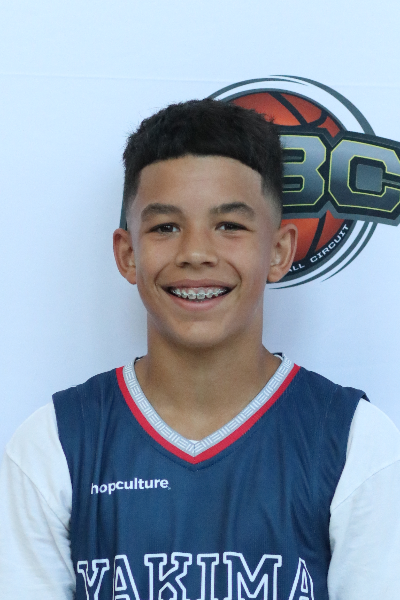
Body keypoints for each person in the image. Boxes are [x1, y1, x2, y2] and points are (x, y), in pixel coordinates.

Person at [0, 99, 399, 600]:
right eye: (165, 227)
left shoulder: (355, 441)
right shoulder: (55, 442)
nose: (195, 253)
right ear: (128, 254)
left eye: (229, 225)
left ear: (278, 252)